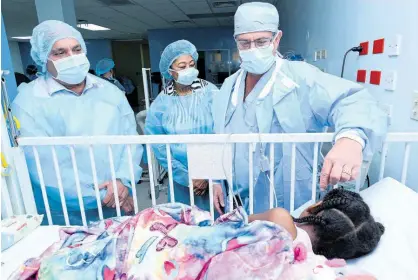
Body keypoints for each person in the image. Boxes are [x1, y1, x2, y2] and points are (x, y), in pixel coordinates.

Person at [211, 2, 387, 215]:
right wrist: (216, 179)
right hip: (237, 199)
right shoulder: (229, 86)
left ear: (277, 39)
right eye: (244, 43)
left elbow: (354, 100)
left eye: (261, 41)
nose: (252, 50)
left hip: (288, 200)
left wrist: (351, 139)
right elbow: (216, 137)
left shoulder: (300, 78)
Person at [12, 188, 382, 279]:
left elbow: (226, 226)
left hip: (165, 243)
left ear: (314, 209)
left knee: (155, 224)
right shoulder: (312, 266)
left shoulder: (283, 219)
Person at [11, 20, 143, 225]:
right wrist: (104, 197)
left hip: (118, 200)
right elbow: (44, 168)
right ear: (43, 58)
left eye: (76, 49)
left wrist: (122, 181)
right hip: (66, 213)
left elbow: (130, 142)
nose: (71, 57)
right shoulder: (29, 102)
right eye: (60, 53)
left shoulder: (109, 91)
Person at [145, 40, 219, 211]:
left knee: (216, 224)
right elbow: (160, 146)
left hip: (213, 175)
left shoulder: (211, 93)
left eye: (191, 64)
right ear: (170, 71)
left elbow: (220, 132)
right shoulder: (160, 105)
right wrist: (186, 177)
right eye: (182, 66)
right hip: (180, 180)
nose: (189, 69)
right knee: (184, 227)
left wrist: (207, 174)